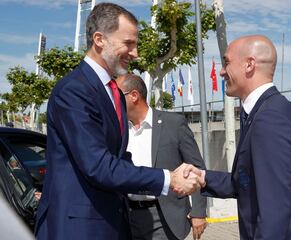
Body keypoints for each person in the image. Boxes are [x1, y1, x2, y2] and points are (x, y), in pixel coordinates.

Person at [35, 3, 201, 240]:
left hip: (111, 223)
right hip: (80, 229)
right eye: (128, 43)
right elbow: (99, 166)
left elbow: (118, 159)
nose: (135, 53)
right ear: (99, 39)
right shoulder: (74, 91)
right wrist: (167, 178)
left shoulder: (111, 92)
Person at [185, 35, 291, 239]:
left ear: (249, 64)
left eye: (227, 62)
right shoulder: (263, 112)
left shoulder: (270, 118)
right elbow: (248, 182)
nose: (222, 71)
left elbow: (273, 211)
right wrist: (202, 177)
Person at [116, 74, 207, 240]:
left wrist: (199, 212)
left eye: (116, 95)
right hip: (126, 217)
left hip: (163, 216)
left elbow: (196, 169)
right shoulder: (117, 129)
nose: (112, 100)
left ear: (134, 95)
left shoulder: (173, 124)